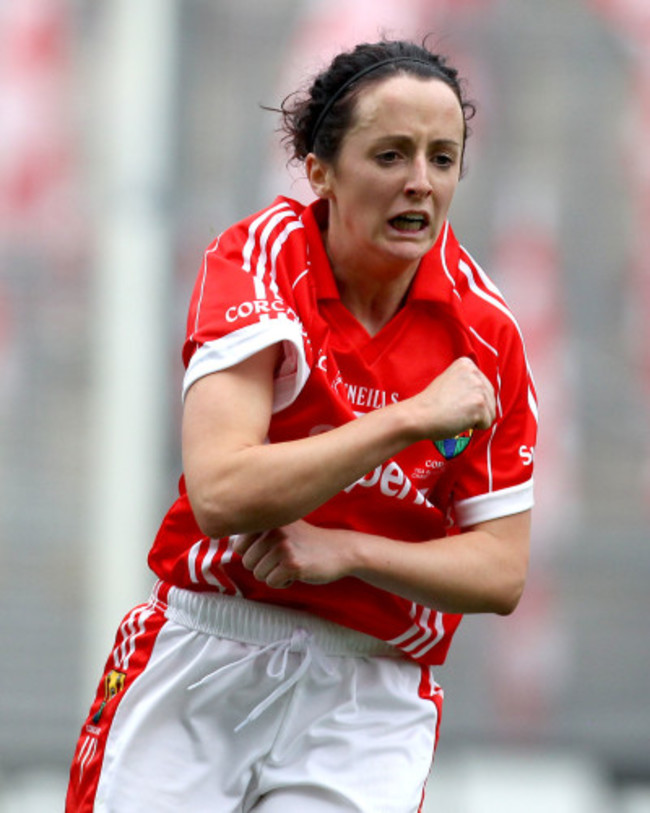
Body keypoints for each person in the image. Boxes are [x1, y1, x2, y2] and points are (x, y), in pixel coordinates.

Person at [66, 38, 537, 813]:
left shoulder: (487, 333)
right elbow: (221, 491)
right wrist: (409, 419)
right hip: (207, 657)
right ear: (320, 170)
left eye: (442, 158)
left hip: (370, 694)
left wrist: (345, 551)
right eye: (390, 154)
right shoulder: (259, 261)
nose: (420, 182)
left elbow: (500, 570)